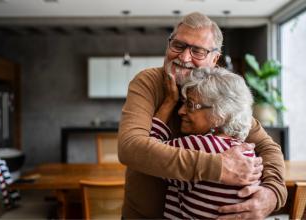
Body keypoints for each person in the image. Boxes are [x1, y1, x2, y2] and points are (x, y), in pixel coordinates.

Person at [118, 12, 287, 219]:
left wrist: (272, 193)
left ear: (214, 59)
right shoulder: (148, 81)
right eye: (178, 45)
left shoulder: (218, 92)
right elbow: (130, 147)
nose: (184, 57)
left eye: (198, 51)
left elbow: (266, 147)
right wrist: (218, 166)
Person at [150, 67, 257, 219]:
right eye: (182, 102)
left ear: (219, 115)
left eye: (190, 105)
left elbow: (150, 151)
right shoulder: (246, 151)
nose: (180, 111)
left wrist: (169, 101)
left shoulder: (200, 146)